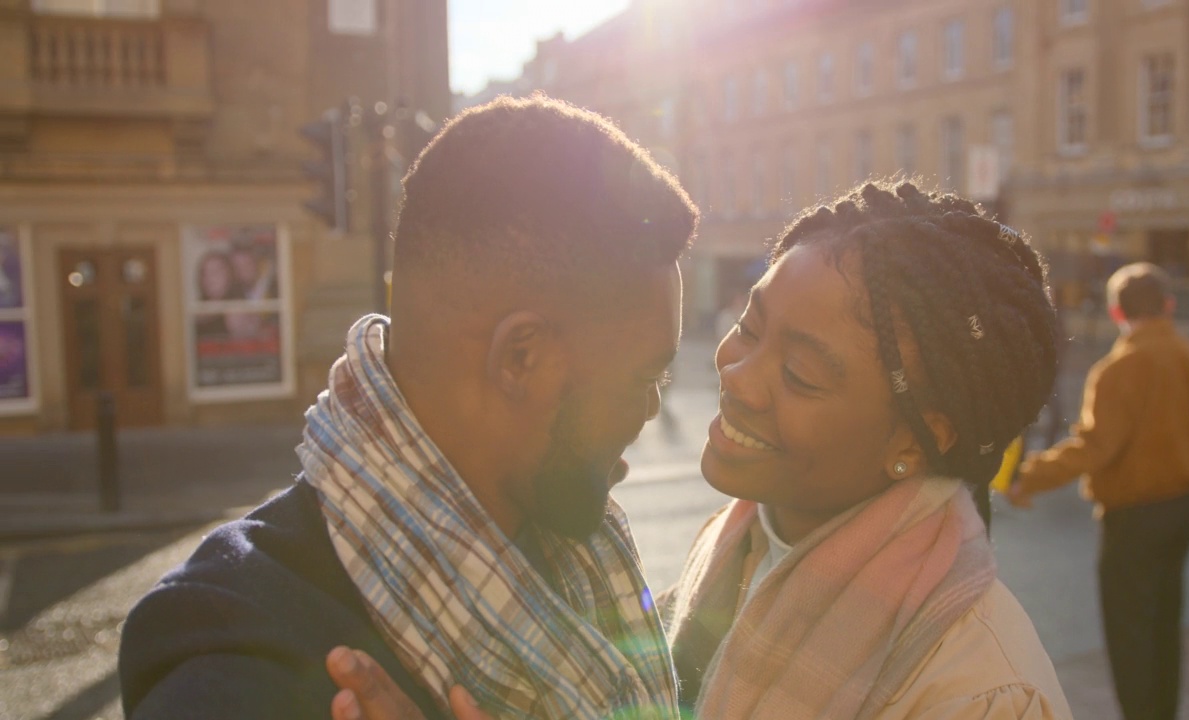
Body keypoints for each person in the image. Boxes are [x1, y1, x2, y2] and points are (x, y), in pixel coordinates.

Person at [330, 180, 1074, 719]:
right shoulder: (741, 548)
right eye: (749, 327)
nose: (737, 376)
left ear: (919, 438)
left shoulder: (981, 695)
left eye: (802, 374)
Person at [118, 95, 699, 720]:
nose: (650, 410)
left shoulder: (572, 549)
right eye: (643, 377)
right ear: (522, 359)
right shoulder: (234, 664)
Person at [1008, 262, 1189, 720]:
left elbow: (1095, 447)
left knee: (1129, 631)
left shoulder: (1118, 370)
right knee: (1165, 620)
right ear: (1168, 305)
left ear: (1116, 312)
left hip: (1132, 514)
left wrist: (1029, 477)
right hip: (1185, 507)